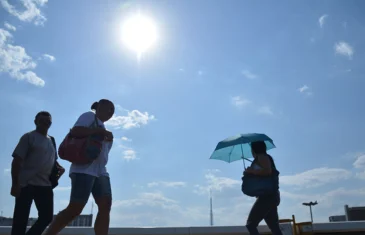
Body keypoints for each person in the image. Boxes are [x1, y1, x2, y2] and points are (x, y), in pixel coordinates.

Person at [43, 99, 115, 235]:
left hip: (101, 171)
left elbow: (102, 154)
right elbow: (75, 131)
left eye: (113, 110)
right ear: (98, 107)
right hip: (83, 169)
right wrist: (99, 132)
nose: (110, 111)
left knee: (105, 205)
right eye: (108, 108)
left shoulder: (104, 129)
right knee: (75, 208)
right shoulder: (89, 116)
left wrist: (106, 136)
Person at [10, 111, 65, 235]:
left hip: (45, 185)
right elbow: (17, 161)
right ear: (36, 122)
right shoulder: (28, 137)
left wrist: (60, 168)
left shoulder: (52, 140)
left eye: (48, 121)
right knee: (20, 221)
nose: (46, 123)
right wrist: (15, 184)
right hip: (26, 184)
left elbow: (52, 159)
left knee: (46, 217)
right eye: (42, 121)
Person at [244, 141, 282, 235]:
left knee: (250, 224)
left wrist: (252, 171)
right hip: (271, 196)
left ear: (254, 149)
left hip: (266, 197)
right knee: (274, 226)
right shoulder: (263, 158)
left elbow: (267, 171)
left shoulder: (262, 157)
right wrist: (249, 172)